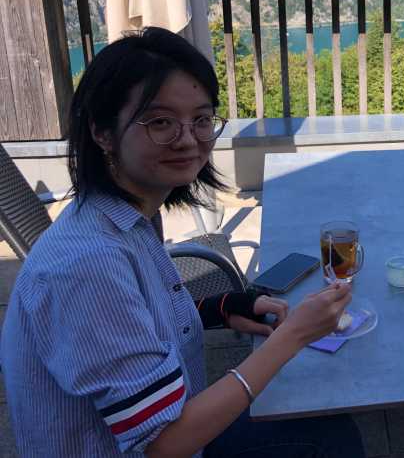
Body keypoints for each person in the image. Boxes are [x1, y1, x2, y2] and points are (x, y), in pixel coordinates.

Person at [1, 27, 365, 458]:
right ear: (102, 132)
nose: (189, 139)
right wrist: (295, 336)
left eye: (202, 119)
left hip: (166, 423)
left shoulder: (123, 216)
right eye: (160, 122)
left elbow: (134, 321)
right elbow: (163, 444)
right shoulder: (86, 264)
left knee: (322, 419)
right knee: (326, 433)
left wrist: (223, 308)